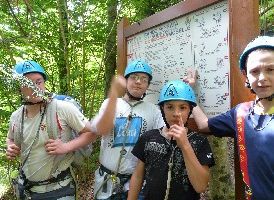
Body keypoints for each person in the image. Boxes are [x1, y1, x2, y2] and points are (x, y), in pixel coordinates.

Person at [190, 36, 274, 199]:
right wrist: (191, 92)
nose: (262, 77)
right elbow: (203, 125)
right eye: (255, 71)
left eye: (271, 69)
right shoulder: (241, 113)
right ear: (245, 75)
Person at [6, 60, 97, 199]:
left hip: (59, 189)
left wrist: (66, 147)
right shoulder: (16, 117)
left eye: (38, 82)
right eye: (28, 83)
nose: (35, 87)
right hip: (27, 189)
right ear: (19, 87)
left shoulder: (62, 109)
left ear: (44, 82)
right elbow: (11, 138)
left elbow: (92, 132)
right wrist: (11, 146)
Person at [127, 80, 215, 200]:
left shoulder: (199, 142)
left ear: (190, 110)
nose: (176, 113)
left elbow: (201, 186)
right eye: (170, 107)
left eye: (182, 107)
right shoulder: (148, 138)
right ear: (162, 109)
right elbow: (138, 176)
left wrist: (185, 145)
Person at [91, 59, 165, 200]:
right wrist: (113, 94)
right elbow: (100, 129)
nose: (138, 82)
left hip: (135, 182)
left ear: (147, 85)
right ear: (126, 80)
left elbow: (166, 134)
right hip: (107, 179)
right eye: (134, 77)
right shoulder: (110, 103)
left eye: (143, 79)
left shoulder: (153, 111)